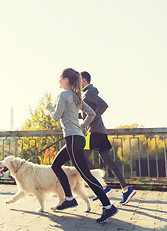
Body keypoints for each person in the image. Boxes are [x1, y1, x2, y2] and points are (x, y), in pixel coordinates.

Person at [46, 68, 118, 223]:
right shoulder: (75, 95)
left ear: (66, 79)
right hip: (76, 138)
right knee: (56, 165)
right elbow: (92, 113)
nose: (58, 80)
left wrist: (49, 108)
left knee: (85, 174)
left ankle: (108, 206)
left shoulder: (64, 95)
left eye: (60, 77)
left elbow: (56, 116)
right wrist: (82, 127)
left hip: (73, 139)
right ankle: (70, 198)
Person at [80, 71, 136, 205]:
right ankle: (125, 189)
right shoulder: (86, 94)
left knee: (81, 159)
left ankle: (103, 187)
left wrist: (92, 117)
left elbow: (103, 105)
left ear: (83, 81)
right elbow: (87, 114)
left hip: (94, 133)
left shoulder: (88, 93)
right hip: (98, 132)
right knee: (108, 161)